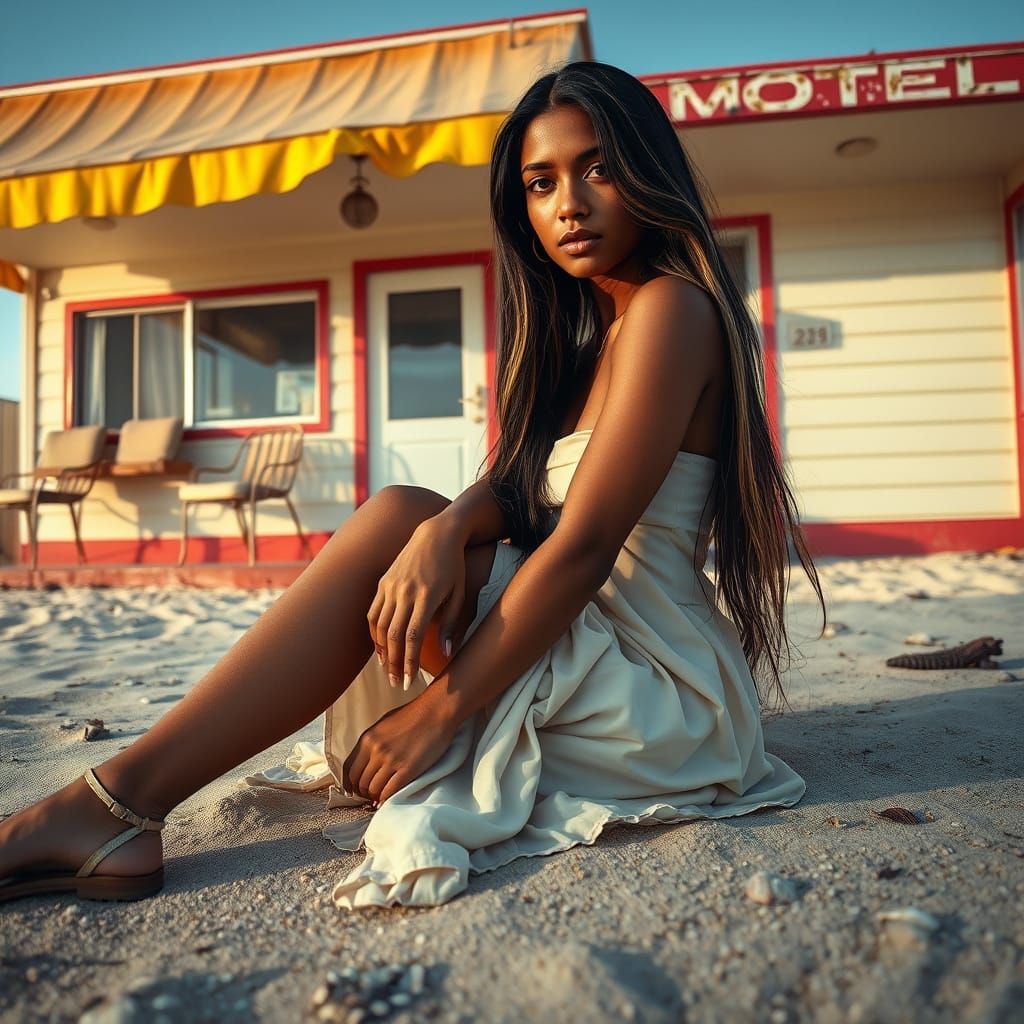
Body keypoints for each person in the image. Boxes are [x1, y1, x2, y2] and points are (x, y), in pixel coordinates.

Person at [0, 60, 826, 909]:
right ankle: (118, 801)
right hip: (578, 637)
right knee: (408, 514)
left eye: (599, 168)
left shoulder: (672, 311)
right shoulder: (588, 343)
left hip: (656, 685)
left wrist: (440, 714)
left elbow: (580, 547)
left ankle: (116, 802)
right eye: (541, 184)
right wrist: (451, 523)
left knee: (397, 513)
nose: (568, 203)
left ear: (648, 171)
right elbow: (521, 494)